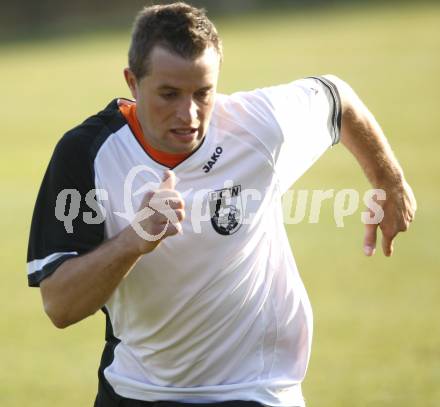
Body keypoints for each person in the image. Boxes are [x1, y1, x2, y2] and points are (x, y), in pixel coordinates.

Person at [26, 2, 416, 407]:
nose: (189, 114)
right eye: (169, 94)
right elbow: (60, 305)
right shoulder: (87, 155)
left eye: (203, 93)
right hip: (137, 391)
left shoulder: (258, 126)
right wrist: (134, 241)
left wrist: (389, 181)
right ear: (132, 82)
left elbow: (337, 97)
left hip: (255, 390)